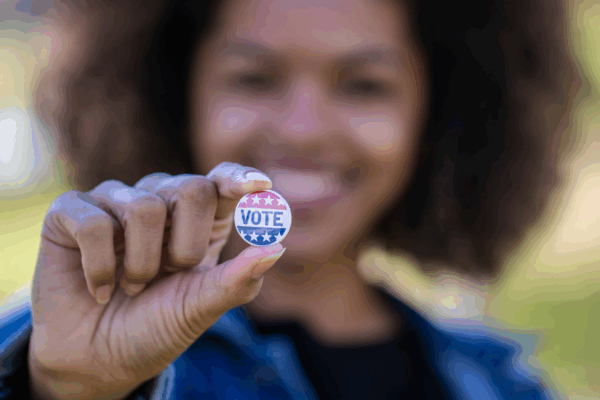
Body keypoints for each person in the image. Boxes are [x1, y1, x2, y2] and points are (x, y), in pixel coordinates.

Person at [0, 0, 576, 398]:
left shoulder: (500, 382)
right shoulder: (55, 342)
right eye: (255, 78)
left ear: (438, 111)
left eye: (363, 85)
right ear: (177, 92)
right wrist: (65, 392)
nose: (303, 130)